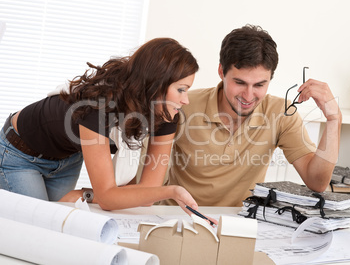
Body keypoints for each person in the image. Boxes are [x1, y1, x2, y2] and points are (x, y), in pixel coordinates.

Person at [0, 37, 200, 213]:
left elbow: (147, 193)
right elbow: (108, 197)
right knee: (35, 223)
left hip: (68, 158)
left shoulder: (166, 114)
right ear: (155, 84)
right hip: (20, 155)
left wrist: (85, 194)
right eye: (181, 89)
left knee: (56, 225)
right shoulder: (98, 107)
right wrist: (173, 191)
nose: (186, 100)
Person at [163, 25, 342, 207]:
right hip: (175, 218)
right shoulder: (184, 104)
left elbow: (317, 182)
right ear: (221, 72)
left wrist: (334, 119)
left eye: (259, 85)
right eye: (239, 82)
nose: (248, 96)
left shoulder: (281, 113)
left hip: (238, 223)